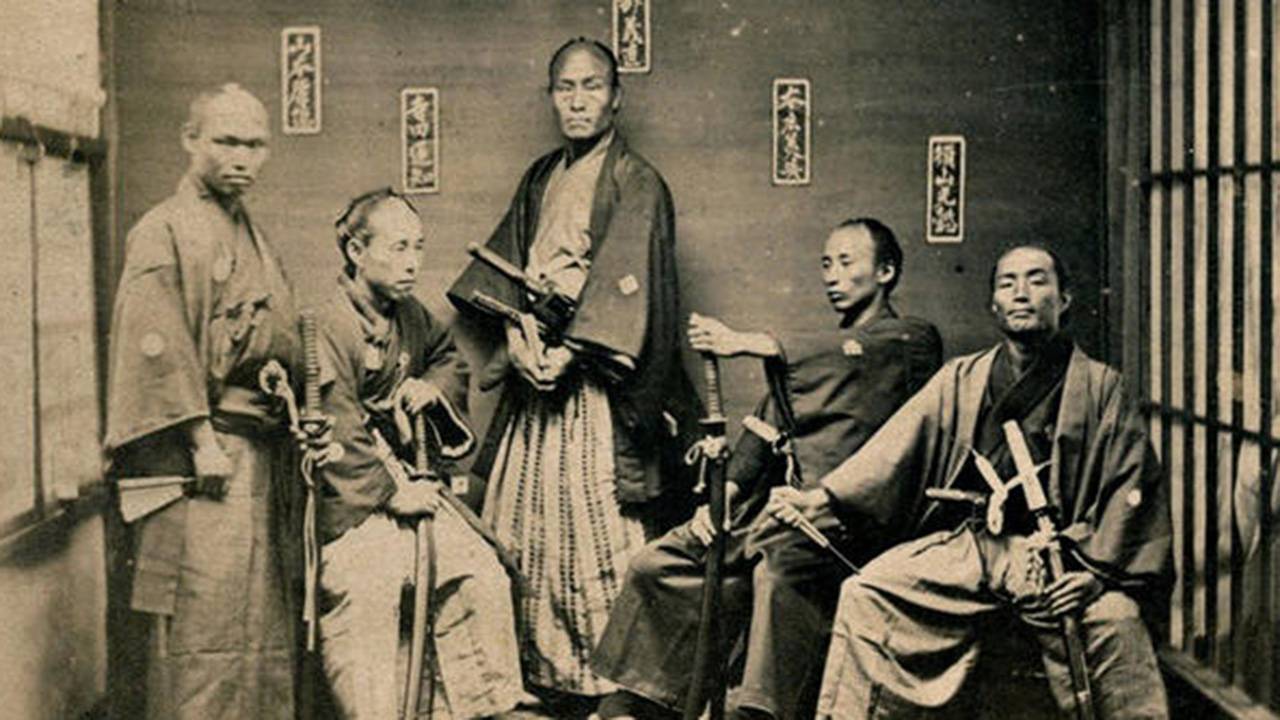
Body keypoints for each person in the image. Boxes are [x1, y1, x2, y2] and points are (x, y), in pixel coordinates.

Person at [766, 245, 1173, 719]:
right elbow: (893, 450)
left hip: (1059, 551)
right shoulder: (962, 377)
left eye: (1037, 280)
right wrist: (823, 498)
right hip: (974, 546)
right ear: (994, 305)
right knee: (867, 591)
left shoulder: (1102, 386)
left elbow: (1130, 485)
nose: (1021, 293)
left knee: (1117, 620)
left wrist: (1096, 574)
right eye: (1007, 283)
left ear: (1064, 299)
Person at [591, 219, 943, 720]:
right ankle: (644, 699)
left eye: (846, 262)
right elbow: (761, 433)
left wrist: (749, 342)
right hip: (779, 518)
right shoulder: (812, 363)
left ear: (886, 272)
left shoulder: (910, 342)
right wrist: (724, 501)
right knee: (660, 562)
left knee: (777, 572)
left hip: (854, 524)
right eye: (826, 263)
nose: (832, 276)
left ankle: (758, 712)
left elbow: (849, 358)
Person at [447, 37, 698, 703]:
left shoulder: (636, 180)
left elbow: (631, 288)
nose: (578, 100)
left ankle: (618, 689)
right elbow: (504, 273)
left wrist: (570, 351)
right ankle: (541, 683)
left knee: (599, 535)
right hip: (536, 373)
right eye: (566, 87)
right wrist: (516, 336)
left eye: (592, 86)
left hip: (595, 382)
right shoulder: (542, 176)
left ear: (617, 98)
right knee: (523, 529)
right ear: (552, 97)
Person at [103, 83, 301, 719]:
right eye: (227, 141)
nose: (242, 157)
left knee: (257, 619)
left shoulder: (250, 232)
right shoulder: (163, 229)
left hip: (257, 452)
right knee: (200, 615)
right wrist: (200, 441)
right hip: (202, 458)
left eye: (255, 144)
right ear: (190, 140)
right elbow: (156, 345)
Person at [312, 188, 525, 719]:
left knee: (481, 572)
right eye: (398, 247)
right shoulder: (327, 323)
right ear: (357, 251)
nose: (413, 263)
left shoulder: (410, 315)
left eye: (419, 247)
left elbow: (447, 358)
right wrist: (390, 494)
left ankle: (477, 712)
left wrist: (429, 387)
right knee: (372, 585)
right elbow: (336, 422)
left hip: (409, 479)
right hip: (349, 496)